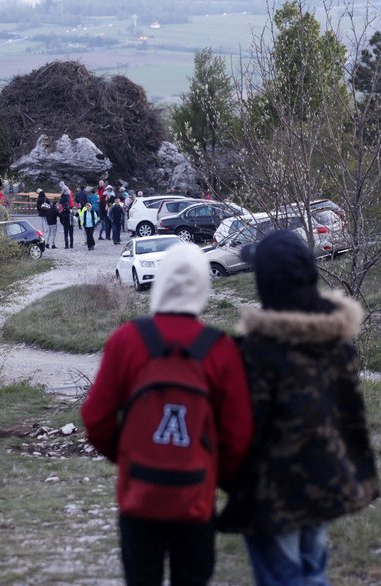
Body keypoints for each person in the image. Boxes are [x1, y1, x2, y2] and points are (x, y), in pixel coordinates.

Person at [81, 242, 253, 586]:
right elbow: (238, 435)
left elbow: (96, 418)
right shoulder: (220, 348)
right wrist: (212, 472)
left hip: (139, 494)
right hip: (195, 497)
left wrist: (128, 456)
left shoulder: (126, 340)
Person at [218, 230, 380, 586]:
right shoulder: (338, 344)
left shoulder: (255, 354)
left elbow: (242, 429)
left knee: (284, 578)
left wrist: (230, 480)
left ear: (266, 286)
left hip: (272, 495)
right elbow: (352, 421)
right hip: (325, 482)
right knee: (313, 572)